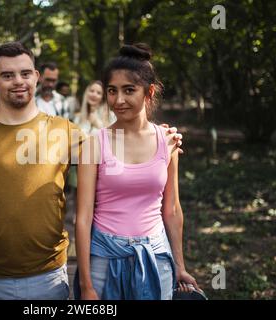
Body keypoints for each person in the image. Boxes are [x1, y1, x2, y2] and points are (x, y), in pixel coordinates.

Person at [0, 41, 183, 300]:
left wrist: (162, 138)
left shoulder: (65, 131)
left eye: (25, 73)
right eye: (7, 75)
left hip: (49, 274)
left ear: (37, 78)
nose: (18, 81)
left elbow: (118, 147)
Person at [74, 43, 200, 300]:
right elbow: (83, 218)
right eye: (112, 91)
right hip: (104, 260)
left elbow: (172, 209)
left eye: (128, 90)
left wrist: (180, 266)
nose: (118, 100)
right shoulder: (94, 144)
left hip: (156, 258)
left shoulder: (168, 141)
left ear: (148, 92)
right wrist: (86, 286)